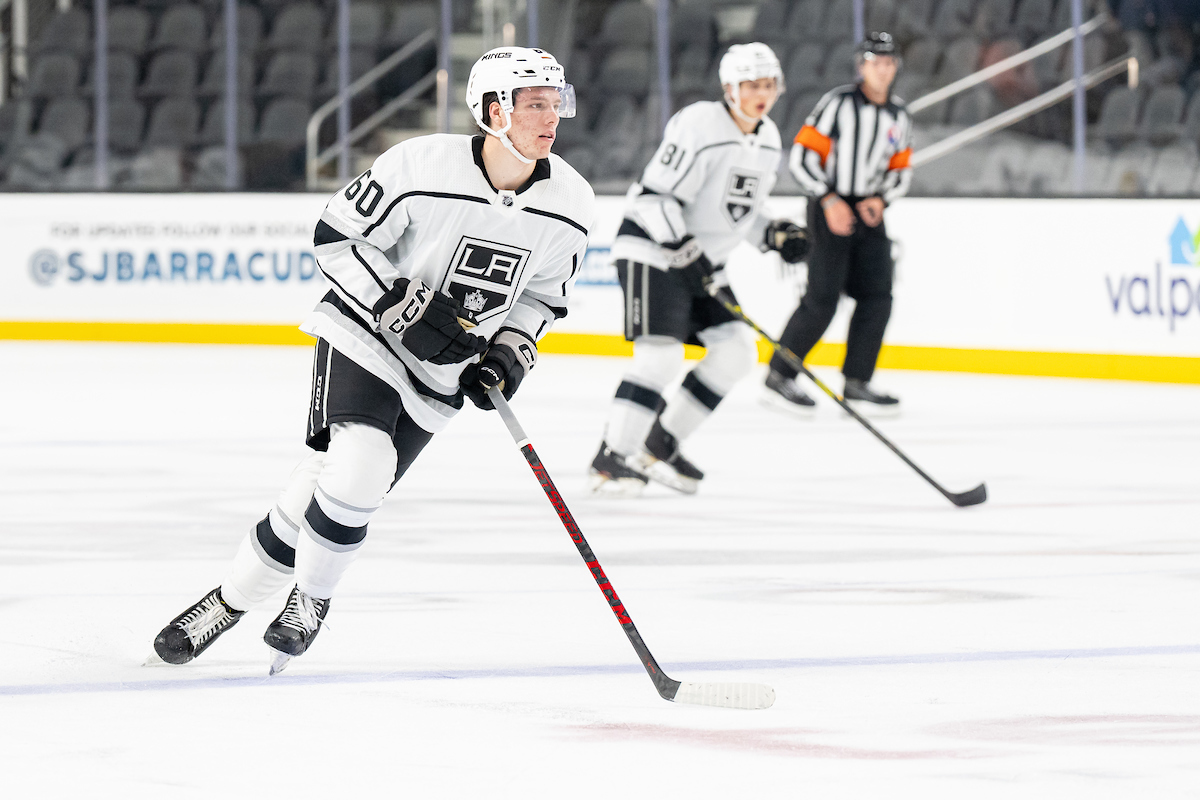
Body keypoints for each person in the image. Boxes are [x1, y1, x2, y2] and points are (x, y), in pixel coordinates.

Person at [151, 47, 593, 673]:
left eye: (557, 104)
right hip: (364, 337)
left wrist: (509, 353)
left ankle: (225, 602)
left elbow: (545, 297)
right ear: (494, 110)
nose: (551, 119)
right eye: (535, 105)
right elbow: (336, 238)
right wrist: (403, 307)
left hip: (441, 371)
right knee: (361, 465)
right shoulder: (419, 163)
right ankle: (311, 601)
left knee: (323, 493)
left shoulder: (572, 203)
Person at [588, 42, 808, 496]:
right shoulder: (699, 123)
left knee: (734, 355)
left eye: (768, 85)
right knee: (660, 356)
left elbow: (739, 211)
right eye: (751, 85)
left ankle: (659, 444)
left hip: (703, 262)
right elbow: (653, 197)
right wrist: (682, 249)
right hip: (653, 247)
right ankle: (612, 457)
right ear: (730, 88)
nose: (760, 94)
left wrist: (775, 233)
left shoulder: (767, 140)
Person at [764, 31, 912, 416]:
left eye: (889, 62)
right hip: (828, 206)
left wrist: (881, 200)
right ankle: (780, 374)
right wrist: (828, 199)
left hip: (869, 211)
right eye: (875, 62)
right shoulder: (838, 104)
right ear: (862, 66)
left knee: (878, 297)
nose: (883, 69)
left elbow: (900, 169)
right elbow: (801, 157)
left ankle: (857, 380)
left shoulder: (898, 115)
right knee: (822, 299)